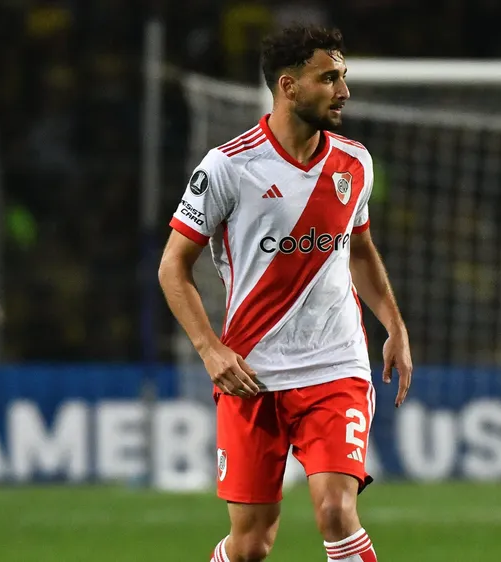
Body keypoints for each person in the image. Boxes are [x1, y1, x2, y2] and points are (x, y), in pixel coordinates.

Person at [159, 24, 413, 562]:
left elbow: (359, 249)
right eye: (329, 77)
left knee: (336, 511)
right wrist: (210, 349)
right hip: (251, 372)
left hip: (334, 364)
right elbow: (171, 268)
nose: (344, 90)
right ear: (288, 86)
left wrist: (393, 323)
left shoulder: (355, 163)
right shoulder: (229, 167)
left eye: (344, 76)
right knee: (251, 544)